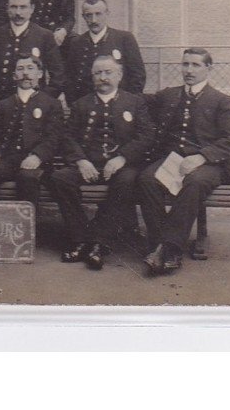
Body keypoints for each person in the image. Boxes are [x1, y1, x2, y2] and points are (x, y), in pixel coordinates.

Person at [137, 47, 230, 275]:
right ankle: (160, 244)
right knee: (146, 179)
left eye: (196, 65)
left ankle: (170, 249)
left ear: (208, 68)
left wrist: (202, 156)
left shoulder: (221, 101)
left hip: (208, 164)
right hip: (171, 160)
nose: (189, 70)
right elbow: (137, 101)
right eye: (185, 64)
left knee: (193, 183)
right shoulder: (169, 95)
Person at [49, 56, 155, 270]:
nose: (103, 78)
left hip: (121, 166)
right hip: (89, 164)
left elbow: (146, 135)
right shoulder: (81, 104)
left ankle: (99, 242)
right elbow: (67, 137)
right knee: (59, 178)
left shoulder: (134, 102)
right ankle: (79, 238)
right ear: (92, 76)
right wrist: (81, 161)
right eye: (98, 73)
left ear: (120, 75)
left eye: (108, 72)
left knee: (126, 181)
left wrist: (122, 157)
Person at [0, 56, 64, 208]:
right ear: (14, 76)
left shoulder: (51, 104)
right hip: (9, 159)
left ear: (40, 74)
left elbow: (53, 137)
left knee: (28, 177)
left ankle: (30, 228)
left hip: (38, 161)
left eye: (30, 68)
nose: (25, 73)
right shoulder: (4, 104)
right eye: (20, 69)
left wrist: (38, 156)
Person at [0, 0, 65, 101]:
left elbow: (58, 76)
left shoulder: (44, 36)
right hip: (0, 104)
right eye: (13, 7)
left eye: (23, 7)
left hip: (35, 105)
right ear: (7, 8)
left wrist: (43, 100)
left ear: (32, 9)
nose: (18, 12)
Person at [65, 0, 146, 104]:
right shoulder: (76, 43)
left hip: (119, 105)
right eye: (89, 15)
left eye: (98, 14)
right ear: (83, 17)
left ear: (107, 13)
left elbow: (138, 76)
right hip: (86, 108)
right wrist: (76, 105)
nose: (94, 20)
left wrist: (128, 104)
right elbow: (70, 79)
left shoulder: (124, 39)